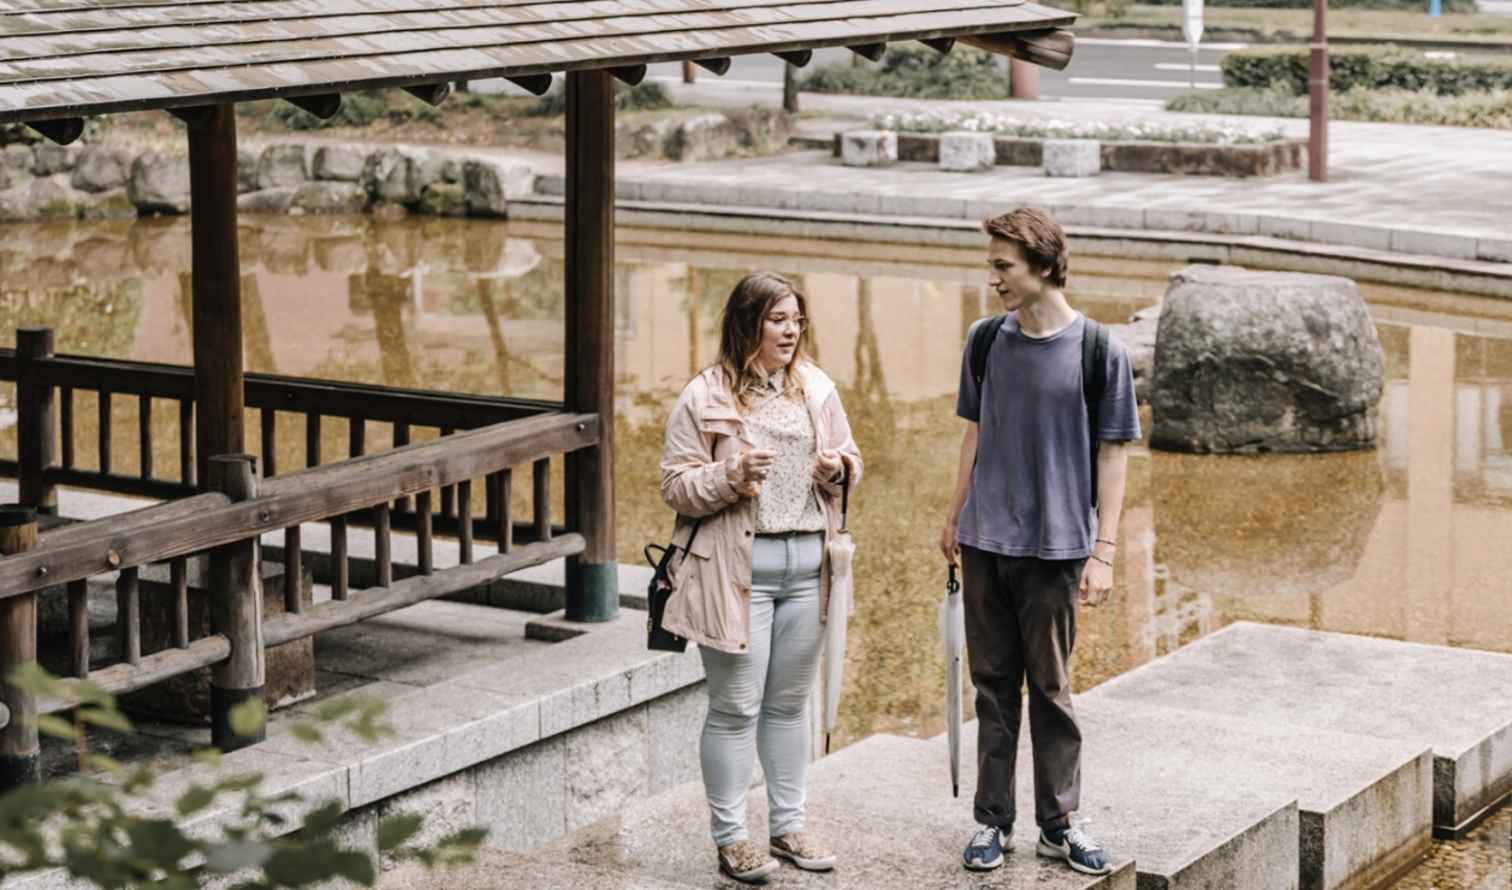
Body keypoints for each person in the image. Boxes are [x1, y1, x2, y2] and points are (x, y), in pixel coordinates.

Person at [939, 208, 1140, 876]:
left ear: (1044, 267)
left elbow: (1113, 455)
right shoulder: (985, 340)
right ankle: (992, 823)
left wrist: (1103, 551)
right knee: (992, 688)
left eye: (1004, 265)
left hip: (1057, 548)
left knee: (1051, 689)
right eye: (991, 264)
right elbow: (975, 433)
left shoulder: (1098, 350)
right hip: (987, 541)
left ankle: (1059, 823)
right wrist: (953, 517)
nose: (992, 277)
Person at [659, 270, 863, 884]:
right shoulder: (704, 395)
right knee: (735, 706)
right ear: (747, 323)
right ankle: (732, 839)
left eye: (797, 320)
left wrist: (838, 470)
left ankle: (789, 825)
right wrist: (730, 476)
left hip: (809, 568)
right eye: (778, 319)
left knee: (789, 704)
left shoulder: (816, 387)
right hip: (735, 570)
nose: (791, 331)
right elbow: (674, 484)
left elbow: (854, 463)